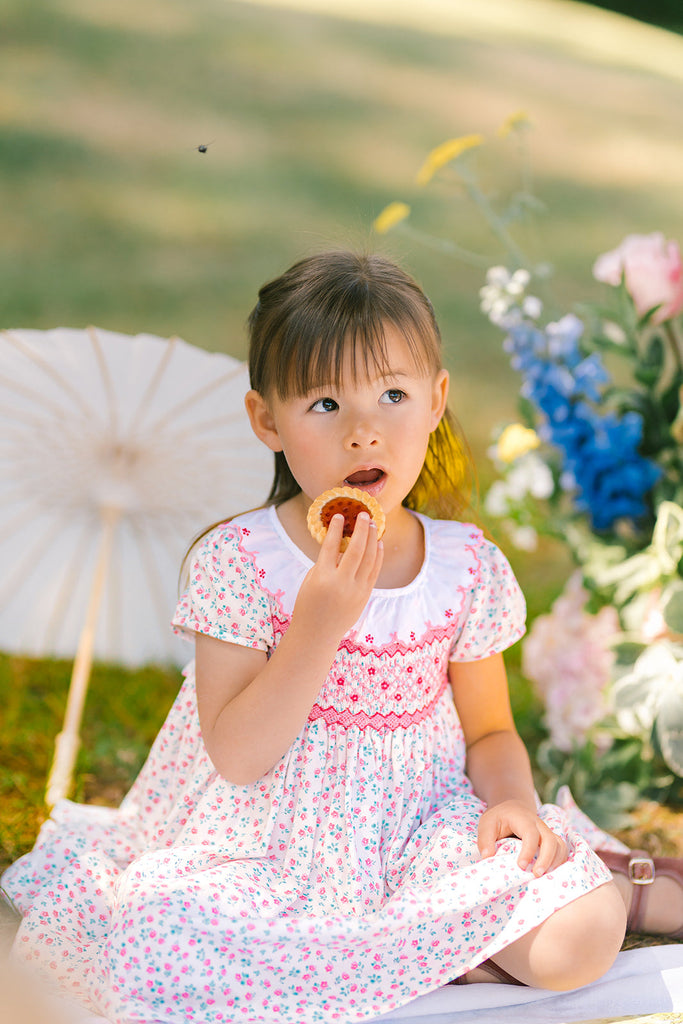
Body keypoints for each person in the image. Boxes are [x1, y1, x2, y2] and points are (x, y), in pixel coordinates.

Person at [2, 251, 682, 1023]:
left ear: (435, 401)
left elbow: (490, 728)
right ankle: (423, 958)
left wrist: (513, 805)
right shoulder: (240, 562)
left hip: (422, 829)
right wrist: (318, 623)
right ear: (267, 420)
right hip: (265, 848)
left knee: (580, 936)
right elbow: (237, 755)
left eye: (392, 394)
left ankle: (479, 928)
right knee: (157, 936)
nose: (364, 433)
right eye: (324, 404)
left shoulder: (463, 565)